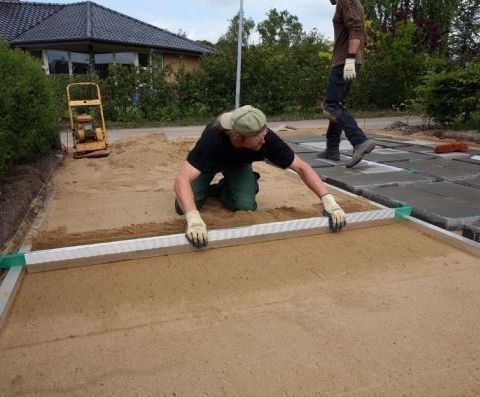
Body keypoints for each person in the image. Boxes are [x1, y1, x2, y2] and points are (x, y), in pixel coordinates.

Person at [174, 105, 347, 248]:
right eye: (257, 139)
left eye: (264, 134)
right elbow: (182, 179)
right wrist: (193, 217)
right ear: (238, 137)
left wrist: (328, 200)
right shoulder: (212, 138)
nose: (263, 141)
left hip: (238, 164)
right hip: (208, 163)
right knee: (184, 206)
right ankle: (206, 191)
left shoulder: (266, 139)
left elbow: (301, 167)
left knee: (244, 204)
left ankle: (224, 188)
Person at [319, 0, 376, 168]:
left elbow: (356, 27)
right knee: (336, 104)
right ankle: (332, 149)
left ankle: (360, 141)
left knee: (330, 105)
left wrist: (350, 59)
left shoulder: (345, 0)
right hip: (345, 61)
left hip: (345, 62)